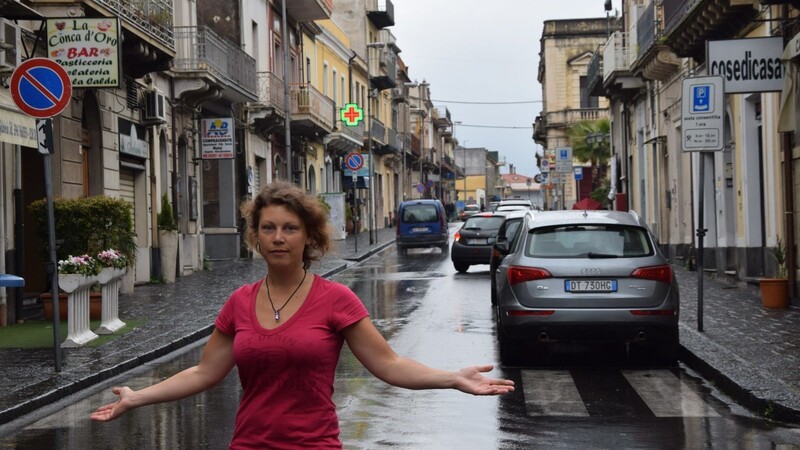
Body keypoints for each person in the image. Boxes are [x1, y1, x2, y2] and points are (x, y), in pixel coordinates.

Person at [90, 180, 514, 448]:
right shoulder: (239, 302)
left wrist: (452, 378)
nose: (278, 238)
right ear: (254, 237)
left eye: (289, 228)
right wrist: (137, 396)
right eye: (268, 228)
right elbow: (204, 373)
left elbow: (390, 365)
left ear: (309, 237)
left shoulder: (336, 300)